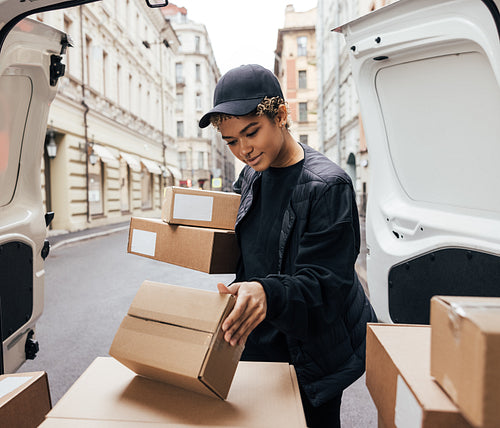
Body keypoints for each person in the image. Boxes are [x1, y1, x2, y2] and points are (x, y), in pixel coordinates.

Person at [199, 64, 377, 428]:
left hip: (313, 352)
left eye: (251, 132)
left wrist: (266, 292)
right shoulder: (251, 175)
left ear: (280, 115)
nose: (244, 150)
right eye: (232, 141)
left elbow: (325, 286)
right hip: (260, 339)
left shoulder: (329, 186)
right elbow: (246, 244)